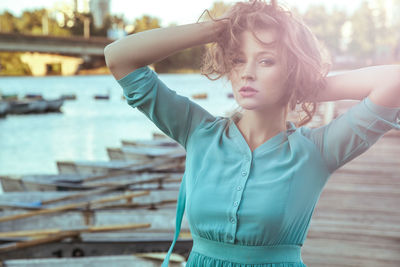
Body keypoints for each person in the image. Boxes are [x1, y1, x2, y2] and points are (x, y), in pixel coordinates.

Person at [104, 0, 400, 266]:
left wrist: (301, 85)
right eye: (237, 59)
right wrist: (219, 28)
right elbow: (119, 57)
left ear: (291, 70)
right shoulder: (197, 131)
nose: (247, 72)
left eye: (266, 60)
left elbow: (393, 80)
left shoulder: (317, 151)